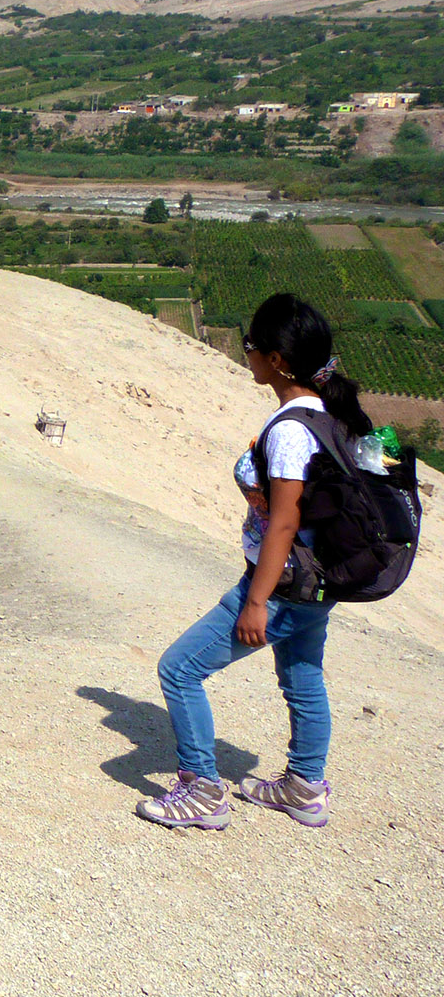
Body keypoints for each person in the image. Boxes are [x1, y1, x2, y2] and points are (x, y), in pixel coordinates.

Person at [138, 293, 379, 831]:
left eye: (250, 346)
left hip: (284, 585)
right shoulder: (329, 413)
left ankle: (202, 791)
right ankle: (303, 788)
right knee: (302, 675)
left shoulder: (293, 429)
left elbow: (285, 523)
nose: (245, 355)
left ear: (275, 359)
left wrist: (256, 601)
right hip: (321, 582)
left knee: (179, 669)